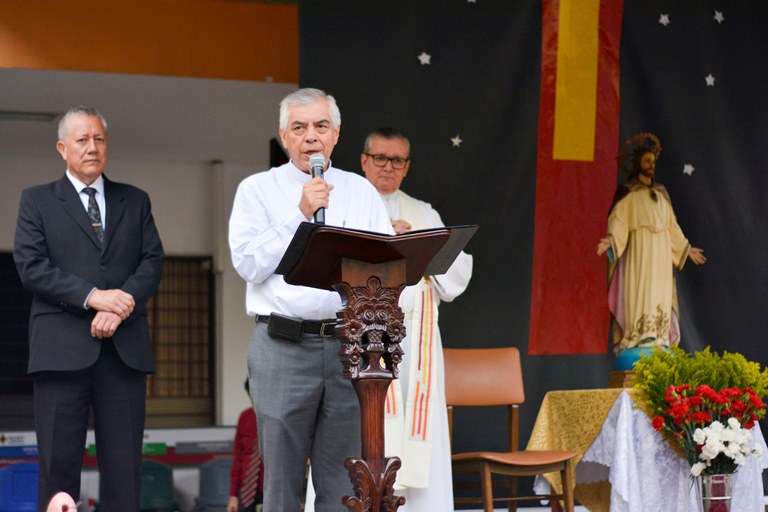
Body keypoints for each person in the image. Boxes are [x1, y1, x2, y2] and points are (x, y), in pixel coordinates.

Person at [228, 88, 392, 512]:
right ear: (284, 137)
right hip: (282, 346)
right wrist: (299, 214)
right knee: (281, 481)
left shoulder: (361, 193)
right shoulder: (257, 190)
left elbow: (387, 268)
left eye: (320, 126)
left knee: (343, 483)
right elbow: (248, 265)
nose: (311, 137)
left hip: (347, 346)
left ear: (336, 134)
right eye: (299, 127)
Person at [13, 105, 164, 511]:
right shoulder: (37, 201)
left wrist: (120, 304)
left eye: (99, 139)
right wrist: (94, 296)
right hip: (61, 352)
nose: (92, 147)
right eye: (82, 140)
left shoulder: (135, 200)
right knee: (58, 468)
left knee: (125, 467)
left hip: (124, 351)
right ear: (63, 148)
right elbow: (31, 267)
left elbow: (151, 262)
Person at [596, 132, 705, 358]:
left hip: (661, 258)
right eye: (647, 161)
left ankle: (659, 337)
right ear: (638, 164)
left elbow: (672, 226)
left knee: (659, 295)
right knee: (640, 293)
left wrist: (686, 248)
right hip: (639, 256)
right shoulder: (628, 195)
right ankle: (638, 336)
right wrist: (611, 240)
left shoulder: (662, 195)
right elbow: (619, 221)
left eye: (653, 162)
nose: (651, 166)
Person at [228, 379, 264, 512]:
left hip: (272, 488)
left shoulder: (275, 418)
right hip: (247, 490)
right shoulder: (245, 417)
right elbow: (238, 458)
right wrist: (233, 495)